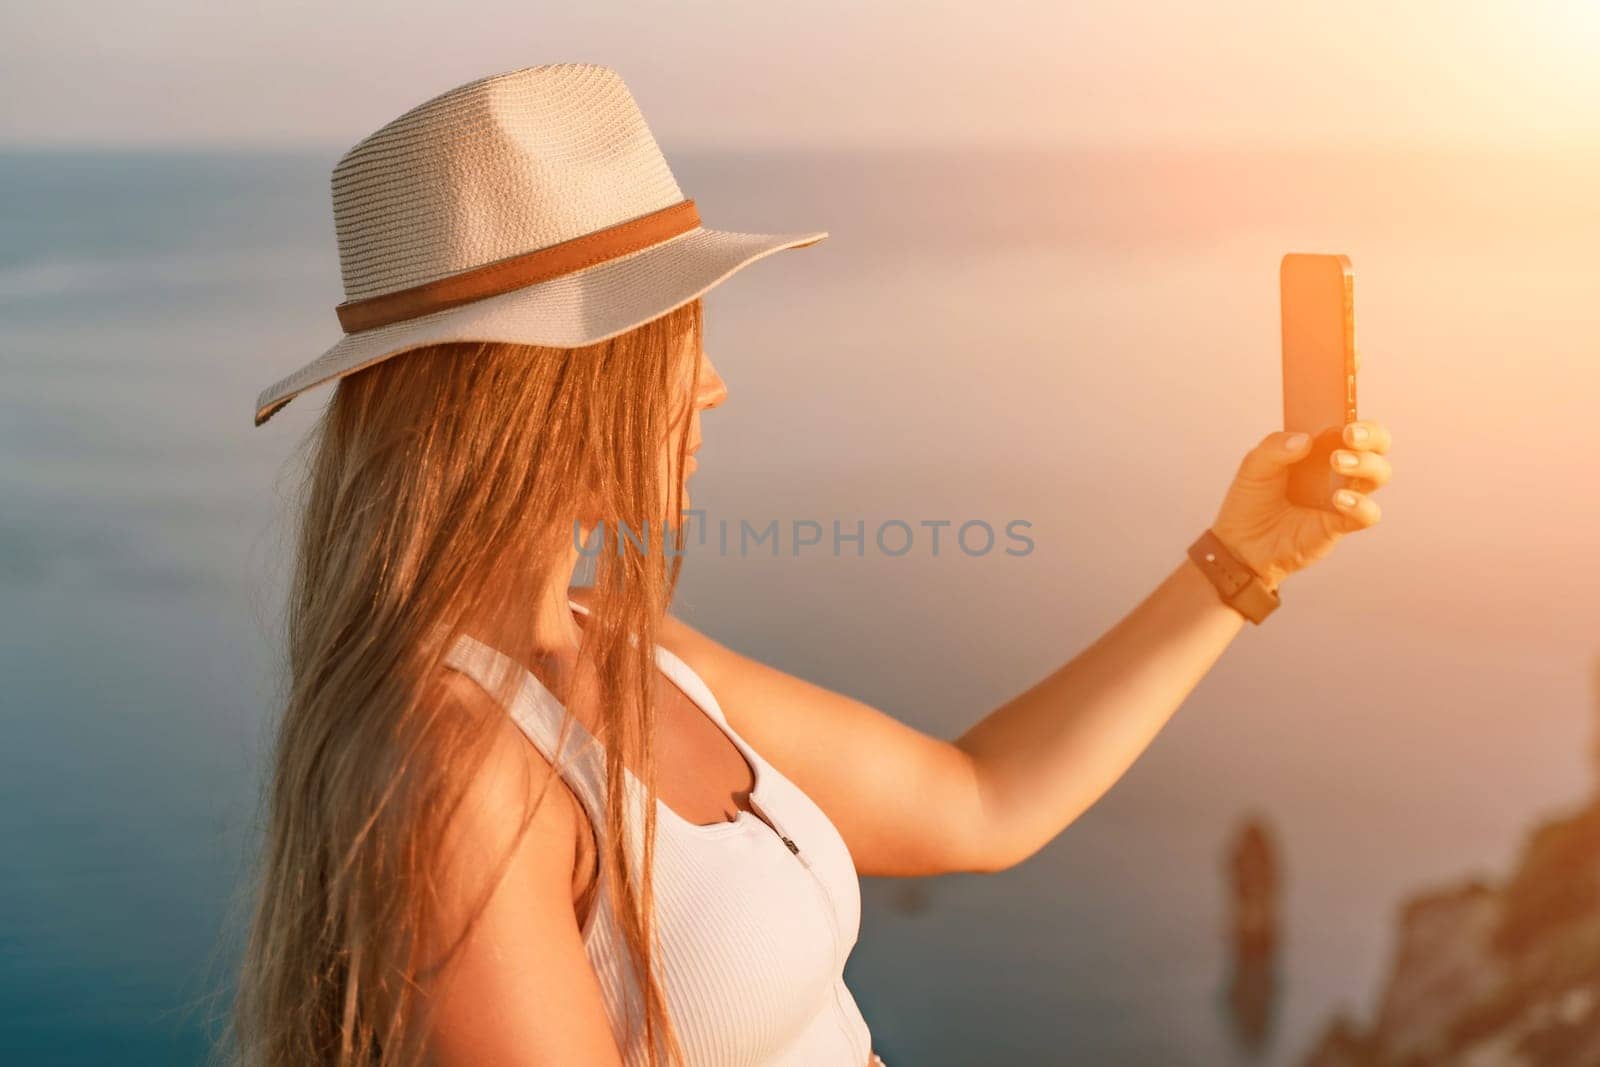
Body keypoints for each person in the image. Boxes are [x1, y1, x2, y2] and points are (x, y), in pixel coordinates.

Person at [232, 65, 1394, 1067]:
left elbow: (978, 802)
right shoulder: (462, 768)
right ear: (535, 388)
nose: (712, 386)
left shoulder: (631, 650)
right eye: (670, 344)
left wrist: (1235, 559)